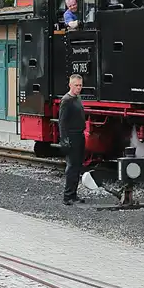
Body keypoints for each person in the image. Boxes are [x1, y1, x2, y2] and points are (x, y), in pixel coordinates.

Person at [59, 74, 86, 205]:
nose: (79, 88)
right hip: (72, 136)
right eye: (76, 85)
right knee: (72, 166)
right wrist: (64, 140)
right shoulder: (67, 100)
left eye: (80, 85)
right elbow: (62, 122)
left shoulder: (77, 99)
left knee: (77, 166)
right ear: (70, 85)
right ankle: (68, 196)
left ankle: (73, 194)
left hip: (79, 135)